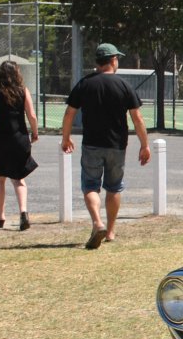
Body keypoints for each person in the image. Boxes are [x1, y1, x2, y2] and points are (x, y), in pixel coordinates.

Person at [60, 43, 151, 250]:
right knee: (114, 187)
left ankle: (96, 223)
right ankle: (110, 230)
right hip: (117, 145)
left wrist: (66, 138)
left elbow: (69, 114)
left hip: (92, 143)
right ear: (112, 61)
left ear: (97, 62)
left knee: (90, 185)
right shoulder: (124, 85)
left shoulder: (85, 84)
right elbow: (137, 119)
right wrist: (144, 145)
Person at [0, 60, 39, 230]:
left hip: (0, 141)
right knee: (19, 179)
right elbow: (32, 115)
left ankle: (0, 217)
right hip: (20, 140)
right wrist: (35, 132)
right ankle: (23, 212)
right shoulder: (23, 91)